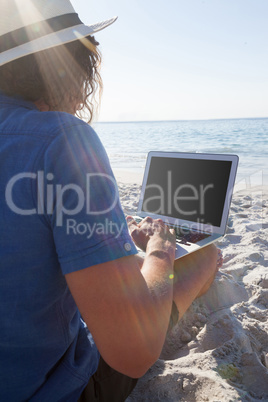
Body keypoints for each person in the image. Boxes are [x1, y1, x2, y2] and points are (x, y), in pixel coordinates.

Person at [0, 1, 223, 401]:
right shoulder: (59, 139)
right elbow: (131, 353)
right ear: (69, 65)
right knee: (205, 257)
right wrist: (161, 249)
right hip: (46, 390)